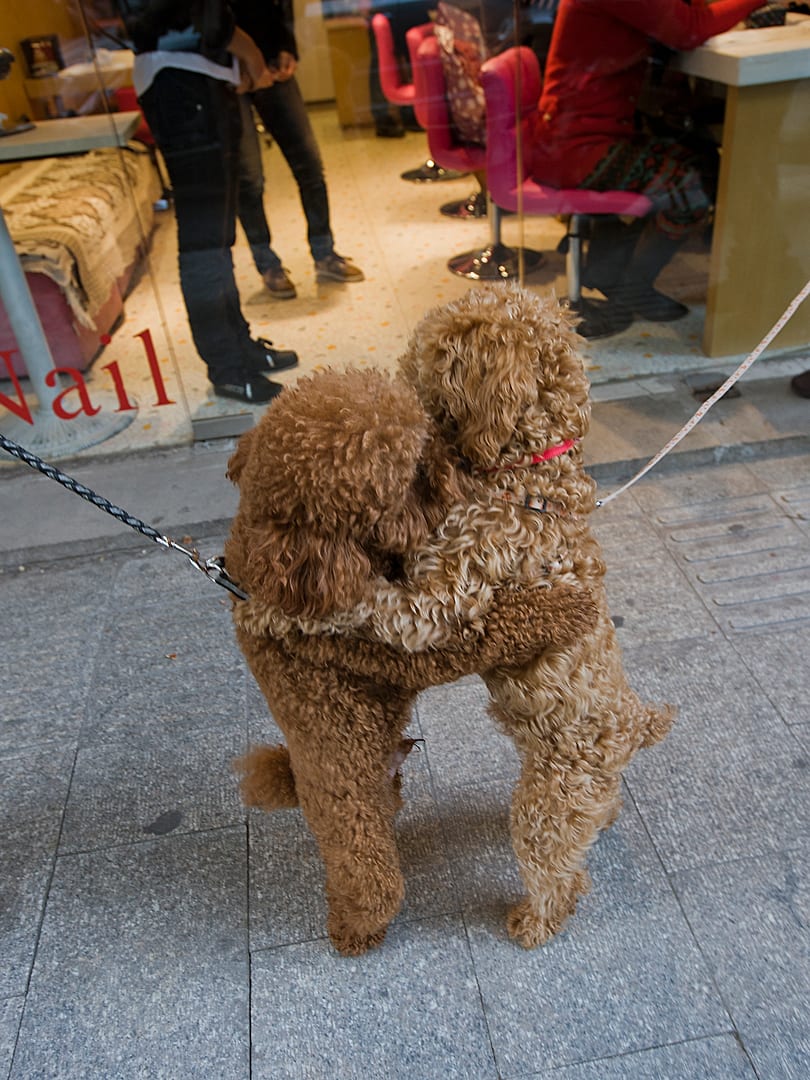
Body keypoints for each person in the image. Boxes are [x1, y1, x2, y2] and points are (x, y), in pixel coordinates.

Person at [531, 0, 767, 325]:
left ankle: (607, 267)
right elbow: (690, 29)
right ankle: (632, 286)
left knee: (702, 163)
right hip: (578, 149)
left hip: (577, 139)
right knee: (688, 187)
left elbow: (685, 19)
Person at [114, 0, 299, 403]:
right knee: (204, 242)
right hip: (181, 82)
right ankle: (227, 367)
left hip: (193, 79)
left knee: (216, 239)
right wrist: (251, 55)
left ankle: (237, 349)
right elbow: (199, 15)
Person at [233, 0, 364, 299]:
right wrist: (238, 59)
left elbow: (281, 5)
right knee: (249, 180)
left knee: (310, 166)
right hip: (228, 68)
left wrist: (287, 46)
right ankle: (268, 265)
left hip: (273, 60)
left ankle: (324, 253)